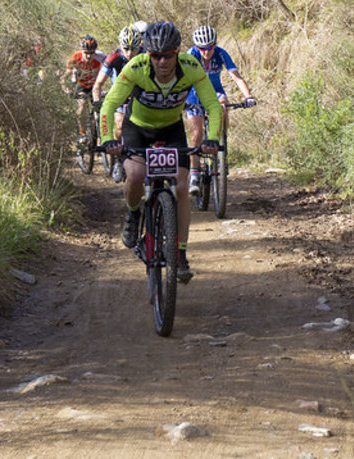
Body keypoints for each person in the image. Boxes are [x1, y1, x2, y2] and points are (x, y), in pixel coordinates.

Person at [99, 21, 223, 283]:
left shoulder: (191, 67)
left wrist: (211, 138)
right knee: (134, 176)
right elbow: (109, 104)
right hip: (138, 129)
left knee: (180, 190)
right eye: (156, 56)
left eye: (168, 55)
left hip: (171, 130)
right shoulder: (135, 68)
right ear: (149, 55)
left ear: (177, 52)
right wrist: (109, 139)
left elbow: (212, 104)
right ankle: (133, 214)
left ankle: (180, 254)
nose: (162, 62)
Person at [183, 25, 256, 195]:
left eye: (210, 47)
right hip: (194, 94)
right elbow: (182, 78)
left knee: (223, 104)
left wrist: (248, 96)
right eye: (202, 48)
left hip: (214, 92)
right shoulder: (190, 55)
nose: (206, 52)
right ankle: (194, 174)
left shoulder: (221, 53)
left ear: (215, 45)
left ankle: (221, 140)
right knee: (196, 134)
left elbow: (236, 76)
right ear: (196, 47)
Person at [91, 25, 145, 182]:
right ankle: (117, 162)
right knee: (120, 125)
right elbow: (98, 84)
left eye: (133, 48)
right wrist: (97, 102)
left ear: (139, 45)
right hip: (119, 96)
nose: (129, 52)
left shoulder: (146, 55)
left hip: (140, 95)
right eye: (126, 48)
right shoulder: (113, 57)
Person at [61, 35, 106, 140]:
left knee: (100, 108)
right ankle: (82, 133)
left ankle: (100, 134)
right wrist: (67, 90)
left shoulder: (101, 57)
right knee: (82, 104)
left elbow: (111, 70)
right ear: (81, 50)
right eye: (86, 53)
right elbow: (64, 78)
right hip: (81, 85)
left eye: (92, 53)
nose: (89, 56)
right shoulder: (74, 59)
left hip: (95, 85)